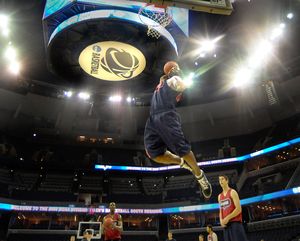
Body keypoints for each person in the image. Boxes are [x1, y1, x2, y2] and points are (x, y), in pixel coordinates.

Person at [144, 61, 212, 199]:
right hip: (152, 119)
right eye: (173, 68)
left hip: (167, 115)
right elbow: (179, 83)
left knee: (183, 150)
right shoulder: (165, 81)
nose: (174, 70)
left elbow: (179, 84)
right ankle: (181, 163)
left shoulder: (170, 80)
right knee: (153, 154)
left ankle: (199, 175)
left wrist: (179, 81)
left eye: (175, 68)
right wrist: (180, 81)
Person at [218, 175, 248, 241]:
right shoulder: (219, 196)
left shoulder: (232, 192)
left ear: (227, 181)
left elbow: (238, 209)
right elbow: (221, 210)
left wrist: (227, 218)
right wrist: (221, 221)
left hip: (235, 224)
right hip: (226, 225)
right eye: (219, 180)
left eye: (222, 179)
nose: (221, 181)